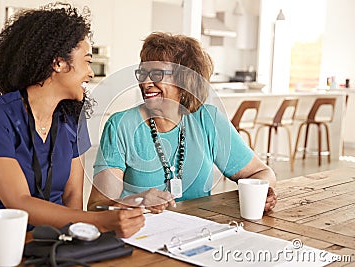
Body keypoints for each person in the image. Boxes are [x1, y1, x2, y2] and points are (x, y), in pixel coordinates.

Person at [0, 3, 144, 242]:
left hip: (57, 241)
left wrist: (81, 240)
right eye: (87, 61)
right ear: (59, 63)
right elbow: (19, 202)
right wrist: (101, 222)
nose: (90, 73)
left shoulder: (72, 120)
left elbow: (73, 196)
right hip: (0, 243)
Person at [87, 32, 277, 213]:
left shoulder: (207, 119)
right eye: (142, 73)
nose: (145, 83)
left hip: (200, 233)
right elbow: (97, 205)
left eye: (157, 75)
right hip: (141, 234)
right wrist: (136, 202)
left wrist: (262, 192)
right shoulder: (121, 126)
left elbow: (261, 172)